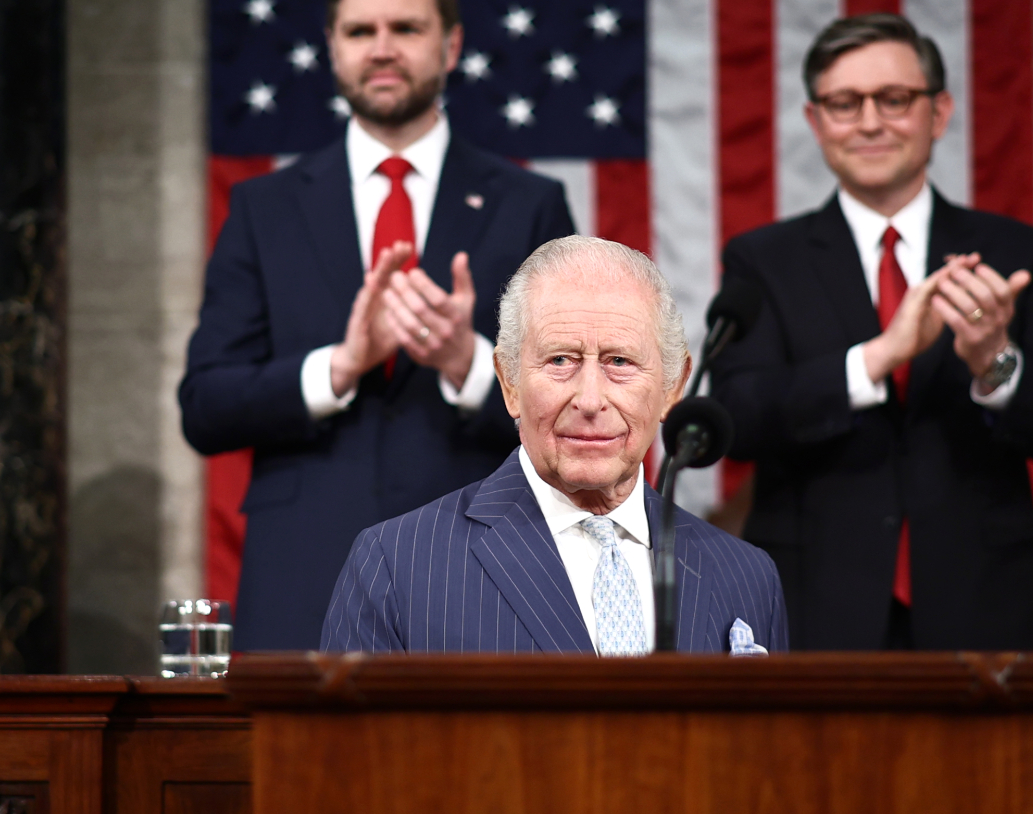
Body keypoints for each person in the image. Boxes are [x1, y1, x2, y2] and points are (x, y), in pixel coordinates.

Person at [181, 0, 576, 650]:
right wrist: (338, 365)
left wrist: (469, 361)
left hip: (486, 569)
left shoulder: (530, 205)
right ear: (332, 49)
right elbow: (205, 405)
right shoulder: (263, 208)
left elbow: (577, 401)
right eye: (361, 32)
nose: (382, 49)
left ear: (450, 44)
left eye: (406, 28)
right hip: (303, 574)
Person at [714, 13, 1033, 651]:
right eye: (844, 103)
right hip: (818, 608)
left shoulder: (1013, 251)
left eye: (894, 100)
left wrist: (994, 363)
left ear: (939, 113)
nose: (869, 122)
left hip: (984, 608)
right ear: (815, 123)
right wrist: (876, 358)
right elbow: (737, 418)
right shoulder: (765, 259)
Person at [322, 236, 788, 655]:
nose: (589, 400)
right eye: (560, 360)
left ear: (672, 387)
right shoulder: (397, 564)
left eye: (620, 361)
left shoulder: (746, 576)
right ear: (509, 383)